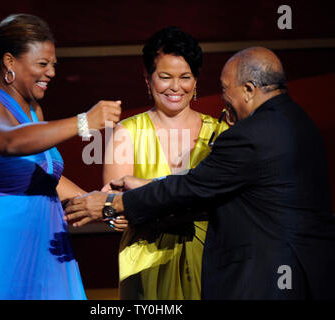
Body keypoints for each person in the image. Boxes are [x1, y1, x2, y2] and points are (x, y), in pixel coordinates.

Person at [65, 47, 335, 299]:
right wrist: (143, 188)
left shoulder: (249, 135)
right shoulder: (299, 122)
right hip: (306, 269)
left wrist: (115, 203)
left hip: (268, 275)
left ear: (249, 90)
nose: (223, 99)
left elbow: (195, 189)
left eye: (225, 89)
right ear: (148, 80)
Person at [0, 14, 121, 300]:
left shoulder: (34, 113)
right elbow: (9, 142)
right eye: (42, 64)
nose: (51, 72)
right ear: (10, 62)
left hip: (39, 244)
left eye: (53, 65)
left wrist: (100, 204)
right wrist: (84, 121)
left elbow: (44, 178)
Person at [103, 26, 228, 300]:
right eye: (165, 77)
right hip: (146, 263)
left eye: (185, 77)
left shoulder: (221, 133)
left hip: (210, 259)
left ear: (195, 81)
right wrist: (114, 216)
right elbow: (113, 203)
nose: (175, 87)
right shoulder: (126, 132)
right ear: (147, 79)